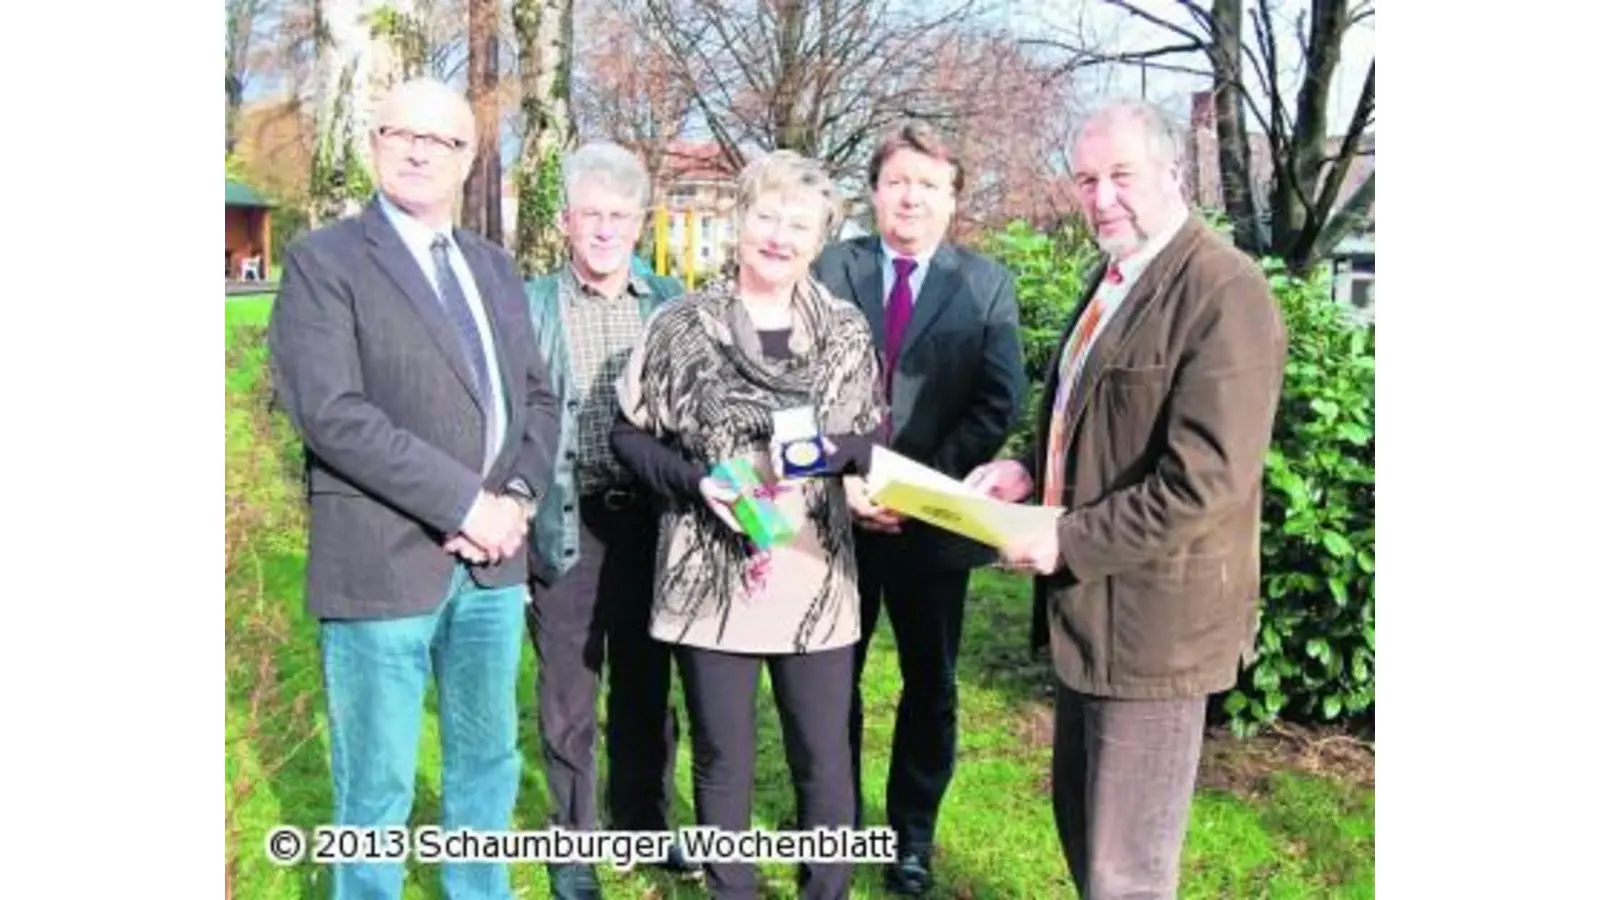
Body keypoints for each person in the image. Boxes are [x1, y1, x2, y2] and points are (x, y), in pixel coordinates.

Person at [965, 101, 1288, 900]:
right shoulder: (1112, 277)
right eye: (1085, 179)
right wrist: (1024, 474)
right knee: (1087, 840)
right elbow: (1086, 423)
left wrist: (1066, 539)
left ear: (1173, 173)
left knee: (1127, 872)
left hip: (1155, 630)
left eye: (1120, 176)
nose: (1101, 197)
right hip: (1092, 615)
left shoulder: (1224, 291)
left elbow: (1205, 480)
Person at [266, 77, 560, 900]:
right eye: (403, 133)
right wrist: (466, 504)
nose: (421, 149)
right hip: (383, 566)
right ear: (373, 143)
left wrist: (519, 502)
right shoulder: (324, 261)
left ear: (469, 159)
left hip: (493, 571)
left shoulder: (496, 269)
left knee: (486, 766)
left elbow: (535, 398)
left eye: (444, 140)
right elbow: (333, 413)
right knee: (377, 788)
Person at [609, 149, 886, 900]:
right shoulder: (679, 325)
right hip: (709, 578)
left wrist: (834, 458)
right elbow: (629, 435)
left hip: (812, 576)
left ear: (819, 239)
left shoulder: (846, 331)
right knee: (723, 757)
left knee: (823, 756)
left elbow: (871, 440)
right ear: (739, 221)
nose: (778, 236)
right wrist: (698, 483)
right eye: (766, 216)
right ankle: (733, 890)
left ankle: (823, 892)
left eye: (799, 224)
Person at [811, 121, 1026, 895]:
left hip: (933, 523)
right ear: (874, 193)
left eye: (929, 185)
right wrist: (849, 478)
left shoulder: (985, 284)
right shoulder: (832, 268)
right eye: (899, 181)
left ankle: (911, 837)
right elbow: (799, 383)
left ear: (953, 199)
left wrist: (911, 485)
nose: (912, 197)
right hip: (837, 518)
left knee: (928, 684)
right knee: (831, 680)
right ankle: (833, 829)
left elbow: (998, 401)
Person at [521, 141, 695, 899]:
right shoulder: (529, 306)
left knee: (648, 686)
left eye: (619, 216)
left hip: (654, 525)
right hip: (568, 517)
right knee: (568, 690)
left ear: (640, 223)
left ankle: (643, 826)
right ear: (565, 221)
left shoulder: (670, 305)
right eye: (590, 214)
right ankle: (574, 848)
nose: (603, 229)